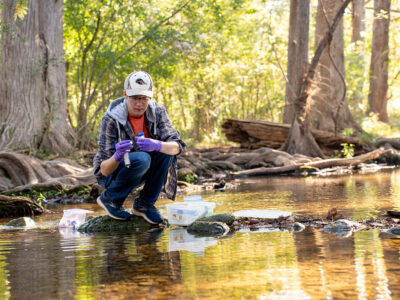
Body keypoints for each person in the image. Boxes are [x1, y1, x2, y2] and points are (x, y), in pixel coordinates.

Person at [93, 71, 185, 224]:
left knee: (166, 151)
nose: (139, 103)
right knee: (142, 158)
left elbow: (177, 147)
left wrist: (157, 144)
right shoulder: (111, 119)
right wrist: (117, 156)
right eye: (135, 98)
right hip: (115, 172)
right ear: (125, 95)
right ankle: (111, 200)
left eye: (144, 99)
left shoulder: (158, 112)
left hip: (144, 168)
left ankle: (144, 204)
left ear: (149, 97)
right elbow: (104, 170)